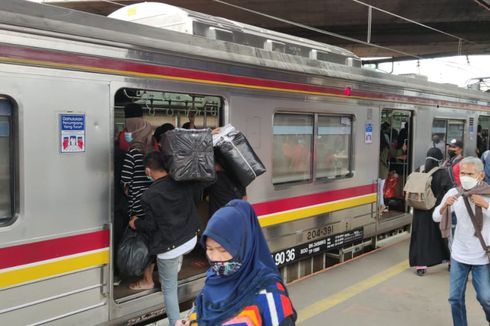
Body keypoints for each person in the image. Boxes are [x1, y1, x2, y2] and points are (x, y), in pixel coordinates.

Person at [177, 200, 296, 326]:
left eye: (223, 249)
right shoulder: (212, 281)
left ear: (243, 247)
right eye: (210, 249)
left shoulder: (269, 293)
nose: (216, 257)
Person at [129, 151, 204, 326]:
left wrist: (136, 223)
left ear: (148, 171)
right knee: (175, 260)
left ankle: (174, 323)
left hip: (171, 247)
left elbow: (151, 226)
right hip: (190, 237)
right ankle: (175, 266)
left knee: (169, 289)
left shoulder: (149, 195)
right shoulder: (181, 181)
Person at [433, 157, 490, 326]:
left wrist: (486, 205)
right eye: (462, 173)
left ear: (480, 176)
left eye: (469, 173)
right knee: (455, 298)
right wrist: (444, 207)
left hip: (482, 256)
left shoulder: (488, 194)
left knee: (485, 298)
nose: (465, 176)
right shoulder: (453, 193)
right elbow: (436, 217)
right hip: (459, 254)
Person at [120, 103, 155, 290]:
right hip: (153, 201)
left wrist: (130, 191)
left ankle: (146, 279)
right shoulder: (151, 147)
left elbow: (125, 183)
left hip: (137, 205)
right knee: (151, 239)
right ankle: (150, 275)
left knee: (142, 241)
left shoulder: (133, 152)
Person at [408, 148, 451, 276]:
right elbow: (449, 189)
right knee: (442, 235)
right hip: (437, 210)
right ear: (439, 159)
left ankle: (421, 266)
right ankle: (449, 260)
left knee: (421, 237)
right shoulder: (442, 173)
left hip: (419, 210)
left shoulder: (419, 169)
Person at [205, 149, 247, 216]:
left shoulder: (213, 178)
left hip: (219, 217)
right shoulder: (239, 175)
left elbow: (200, 193)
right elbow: (244, 197)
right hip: (235, 214)